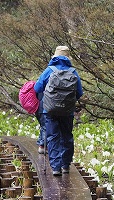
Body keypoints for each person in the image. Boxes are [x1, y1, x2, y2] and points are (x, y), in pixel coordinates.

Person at [34, 45, 83, 176]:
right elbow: (79, 92)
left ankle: (56, 168)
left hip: (50, 110)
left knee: (52, 137)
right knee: (67, 137)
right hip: (67, 111)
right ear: (68, 57)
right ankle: (65, 165)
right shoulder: (73, 72)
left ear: (55, 57)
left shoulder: (49, 70)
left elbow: (37, 88)